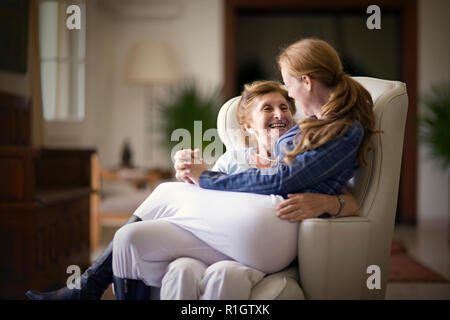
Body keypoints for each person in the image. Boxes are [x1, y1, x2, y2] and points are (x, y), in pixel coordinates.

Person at [110, 38, 375, 300]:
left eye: (287, 93)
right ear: (247, 127)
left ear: (306, 81)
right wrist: (194, 175)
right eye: (268, 108)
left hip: (270, 227)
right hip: (240, 230)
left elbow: (287, 179)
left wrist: (205, 177)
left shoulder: (341, 130)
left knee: (166, 195)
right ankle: (92, 283)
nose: (288, 98)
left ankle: (89, 285)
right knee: (132, 237)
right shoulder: (312, 126)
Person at [159, 80, 360, 300]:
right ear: (247, 126)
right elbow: (202, 203)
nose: (279, 114)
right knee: (181, 269)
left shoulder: (301, 164)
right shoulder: (231, 161)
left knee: (224, 274)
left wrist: (324, 203)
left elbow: (351, 202)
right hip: (216, 245)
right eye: (267, 108)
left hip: (261, 252)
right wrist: (188, 173)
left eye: (284, 108)